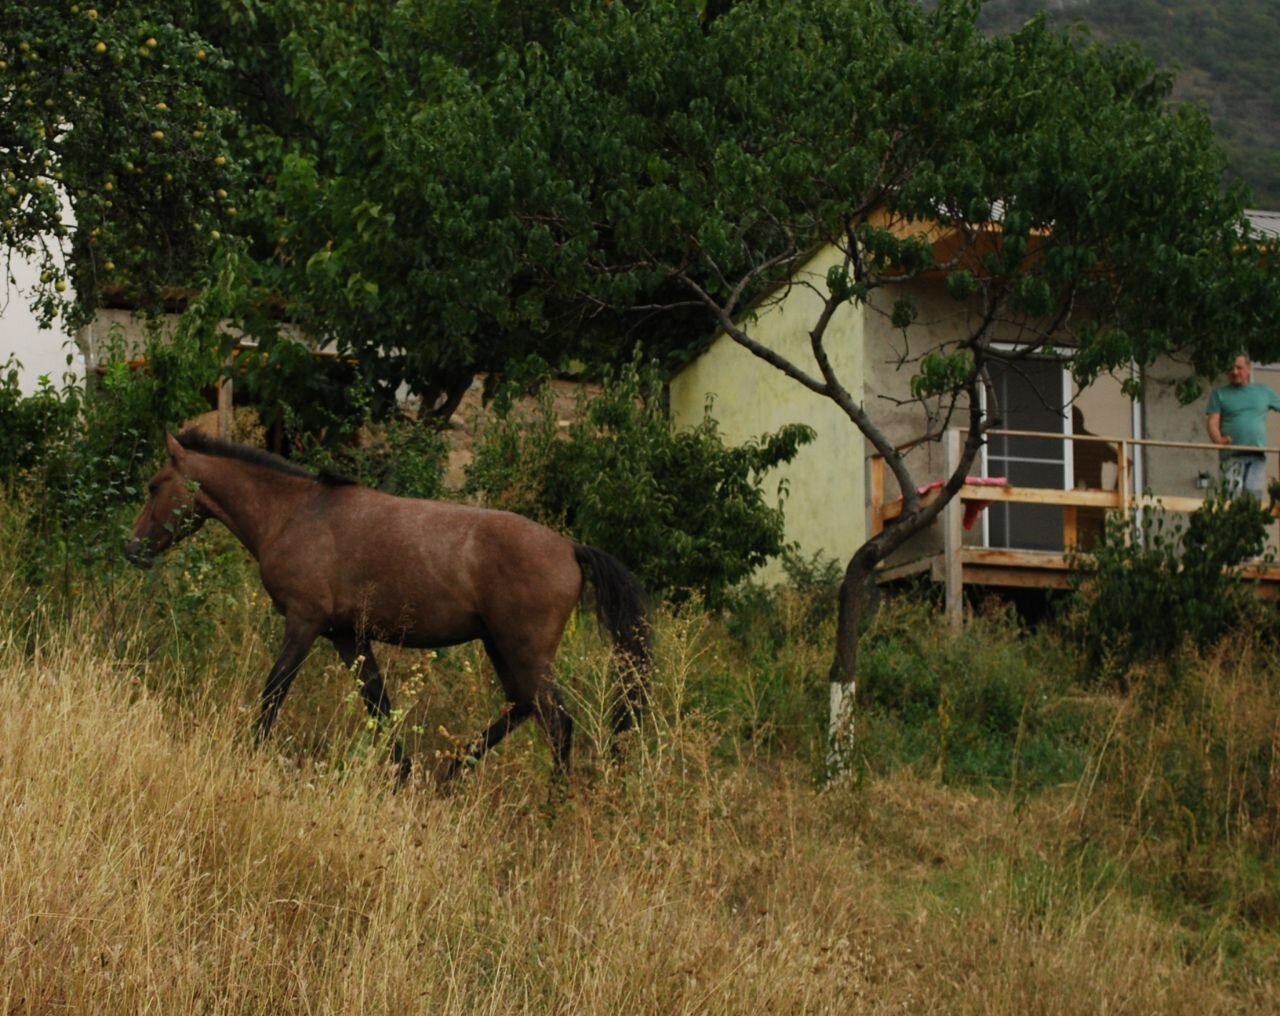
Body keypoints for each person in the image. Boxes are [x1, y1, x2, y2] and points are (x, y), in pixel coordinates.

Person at [1205, 353, 1280, 500]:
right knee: (1231, 499)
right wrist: (1219, 440)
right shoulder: (1219, 394)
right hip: (1231, 456)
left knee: (1253, 498)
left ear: (1249, 368)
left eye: (1239, 367)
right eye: (1231, 368)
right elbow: (1212, 423)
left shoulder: (1263, 391)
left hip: (1257, 456)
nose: (1234, 372)